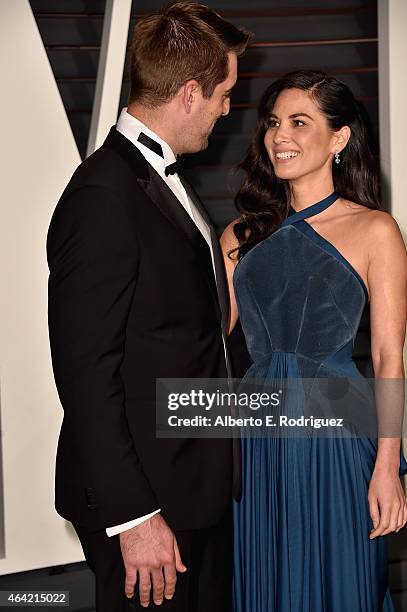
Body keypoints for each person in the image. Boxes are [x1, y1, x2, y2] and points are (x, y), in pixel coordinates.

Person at [47, 2, 251, 610]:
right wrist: (134, 516)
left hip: (192, 485)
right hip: (147, 502)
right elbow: (86, 373)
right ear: (190, 93)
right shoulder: (103, 195)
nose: (227, 107)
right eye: (223, 94)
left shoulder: (161, 177)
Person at [221, 70, 407, 611]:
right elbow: (212, 343)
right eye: (274, 123)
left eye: (300, 123)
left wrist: (388, 468)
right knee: (265, 582)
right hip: (256, 438)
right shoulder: (239, 235)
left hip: (338, 437)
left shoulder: (375, 230)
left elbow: (387, 357)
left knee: (342, 584)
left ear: (340, 138)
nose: (281, 136)